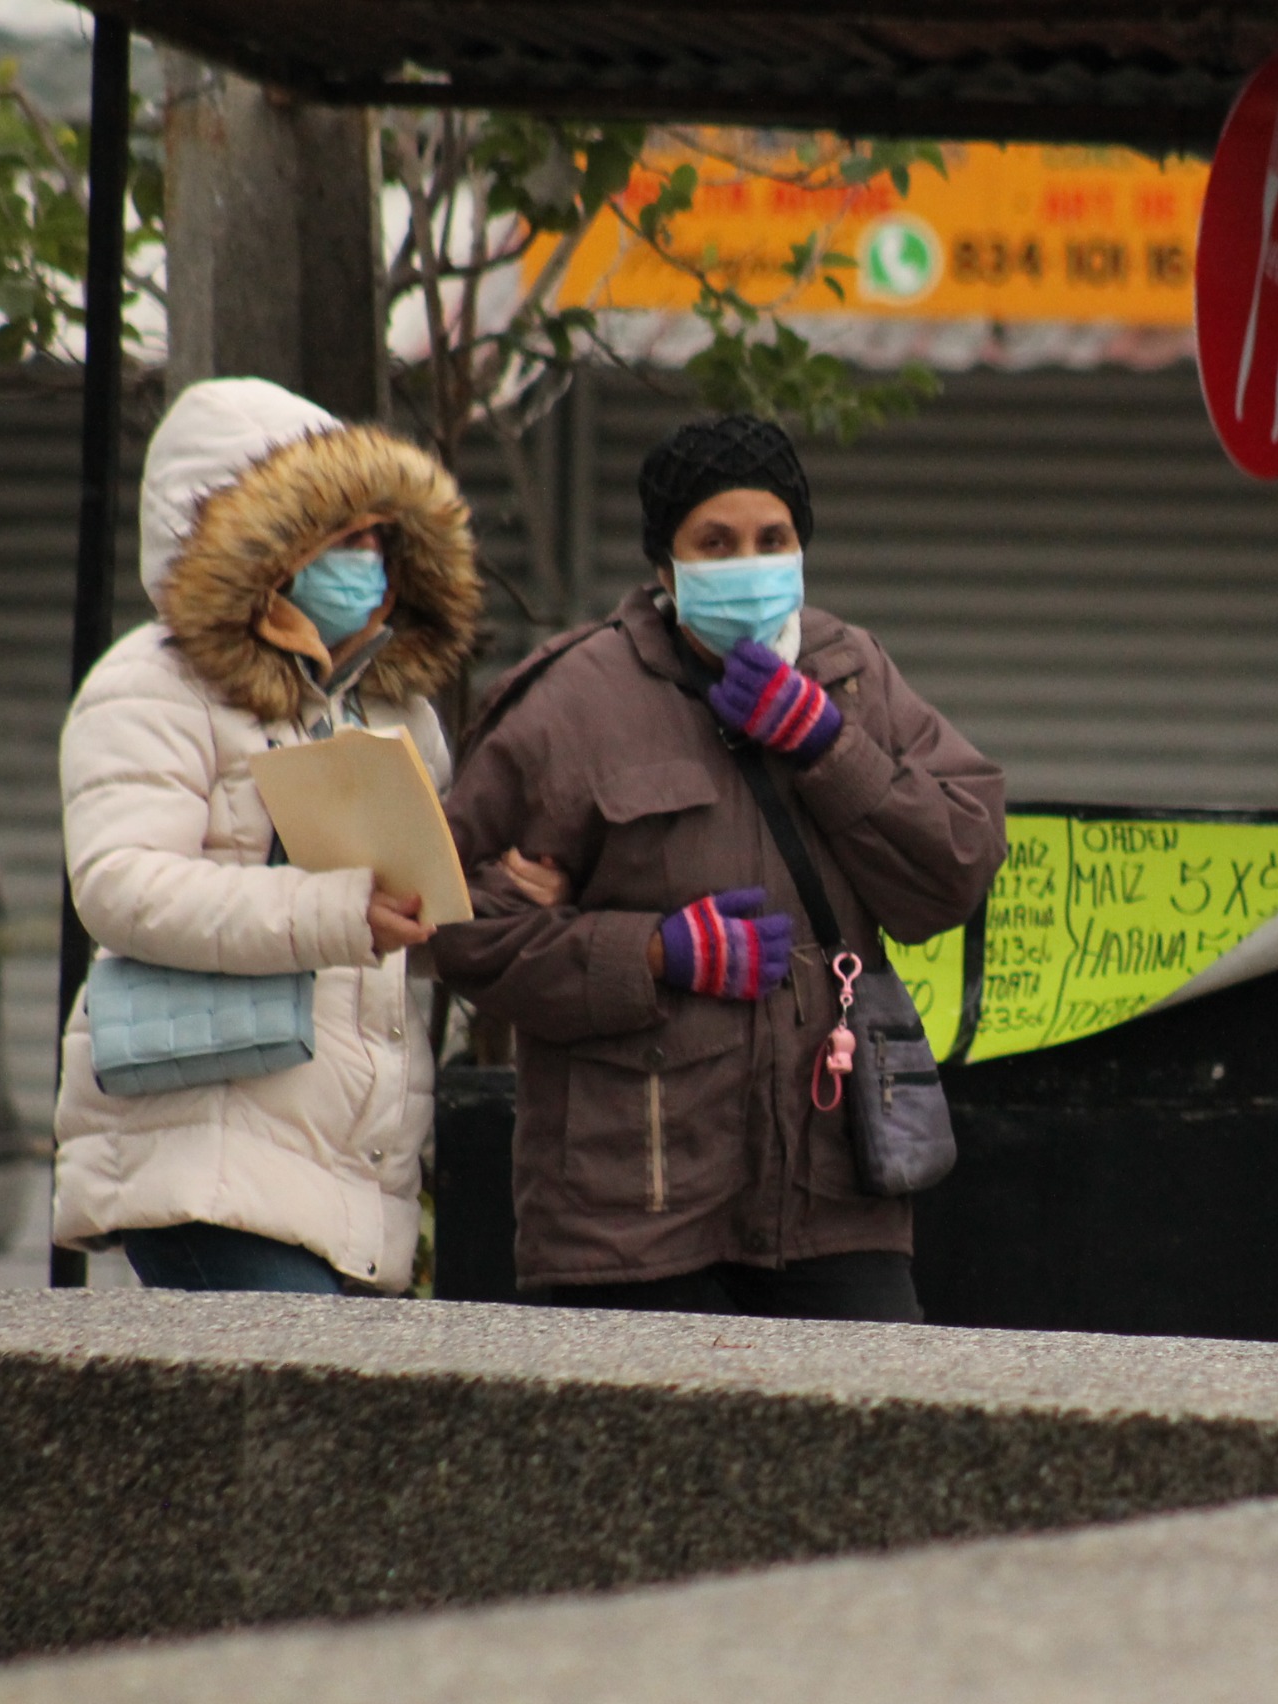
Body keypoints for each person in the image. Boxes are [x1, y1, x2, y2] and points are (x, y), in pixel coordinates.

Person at [434, 415, 1006, 1321]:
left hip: (835, 1205)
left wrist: (830, 744)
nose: (749, 564)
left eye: (772, 540)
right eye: (716, 542)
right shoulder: (574, 702)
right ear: (665, 566)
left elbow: (957, 866)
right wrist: (652, 954)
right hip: (629, 1216)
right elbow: (447, 918)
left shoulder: (854, 677)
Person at [53, 377, 482, 1293]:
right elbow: (121, 886)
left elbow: (419, 909)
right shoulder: (152, 684)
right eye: (340, 537)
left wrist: (478, 902)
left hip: (353, 1174)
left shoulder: (391, 703)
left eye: (377, 536)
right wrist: (337, 910)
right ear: (256, 538)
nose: (367, 560)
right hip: (206, 1167)